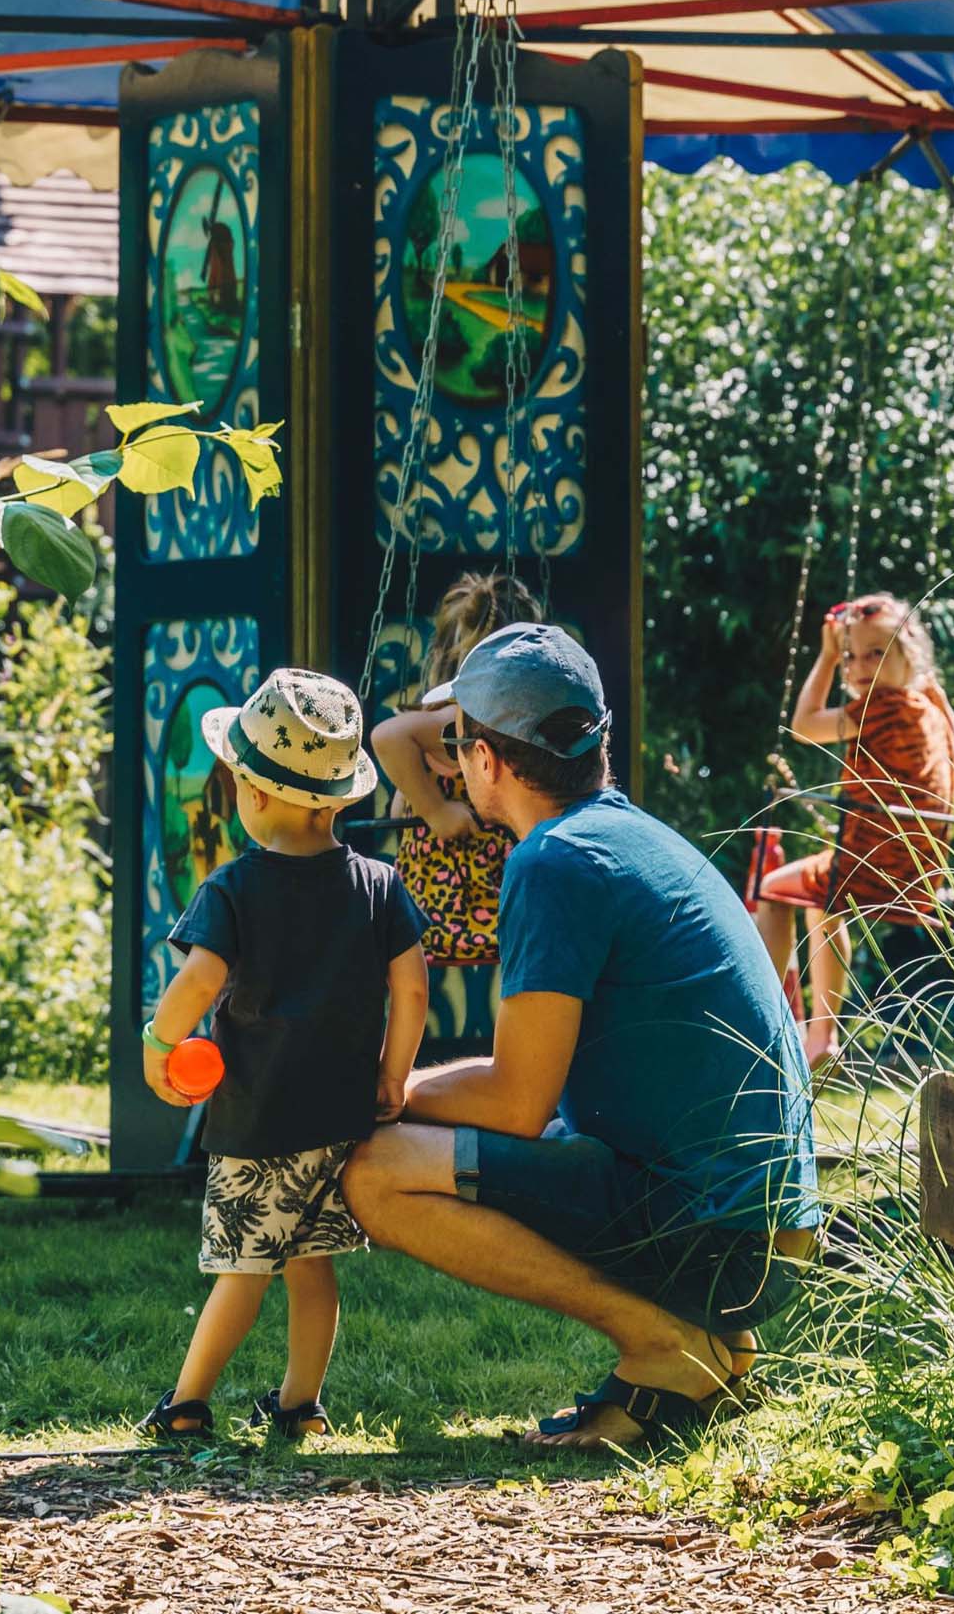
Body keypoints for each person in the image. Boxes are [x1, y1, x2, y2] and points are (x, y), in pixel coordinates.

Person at [340, 623, 821, 1454]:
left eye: (458, 743)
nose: (452, 762)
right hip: (764, 1234)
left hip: (722, 1243)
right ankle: (709, 1342)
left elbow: (515, 1103)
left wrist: (387, 1095)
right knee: (417, 1133)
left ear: (488, 760)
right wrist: (401, 1094)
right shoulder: (626, 835)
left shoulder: (554, 863)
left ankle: (668, 1346)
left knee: (374, 1172)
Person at [137, 668, 431, 1444]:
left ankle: (188, 1401)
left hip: (256, 1118)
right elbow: (412, 989)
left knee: (244, 1267)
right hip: (339, 1115)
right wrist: (392, 1075)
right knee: (312, 1261)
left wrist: (158, 1044)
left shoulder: (232, 889)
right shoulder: (378, 884)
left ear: (254, 793)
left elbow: (198, 979)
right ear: (339, 797)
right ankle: (301, 1401)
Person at [753, 595, 954, 1064]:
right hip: (918, 877)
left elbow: (802, 726)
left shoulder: (879, 710)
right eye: (852, 655)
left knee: (773, 890)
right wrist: (937, 695)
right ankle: (821, 1035)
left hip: (868, 869)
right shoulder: (930, 713)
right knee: (822, 905)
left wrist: (828, 656)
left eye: (877, 653)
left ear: (907, 656)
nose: (860, 667)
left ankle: (765, 1020)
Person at [372, 572, 542, 981]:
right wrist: (435, 809)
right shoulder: (459, 718)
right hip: (454, 902)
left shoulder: (480, 725)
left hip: (461, 905)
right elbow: (387, 736)